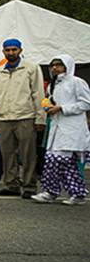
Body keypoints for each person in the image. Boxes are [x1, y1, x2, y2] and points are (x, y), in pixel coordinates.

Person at [0, 38, 46, 198]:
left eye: (14, 49)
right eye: (8, 50)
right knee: (7, 154)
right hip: (4, 118)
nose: (11, 53)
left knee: (28, 154)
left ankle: (29, 186)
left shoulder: (31, 68)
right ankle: (11, 184)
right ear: (3, 52)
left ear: (20, 50)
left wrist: (40, 118)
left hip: (25, 117)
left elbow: (38, 94)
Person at [32, 55, 90, 205]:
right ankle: (74, 193)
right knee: (60, 162)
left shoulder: (77, 82)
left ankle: (53, 192)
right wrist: (49, 106)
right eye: (52, 65)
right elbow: (52, 101)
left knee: (57, 161)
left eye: (59, 65)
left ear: (67, 66)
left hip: (72, 128)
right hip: (56, 129)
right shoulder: (53, 85)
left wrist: (62, 108)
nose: (54, 68)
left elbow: (86, 103)